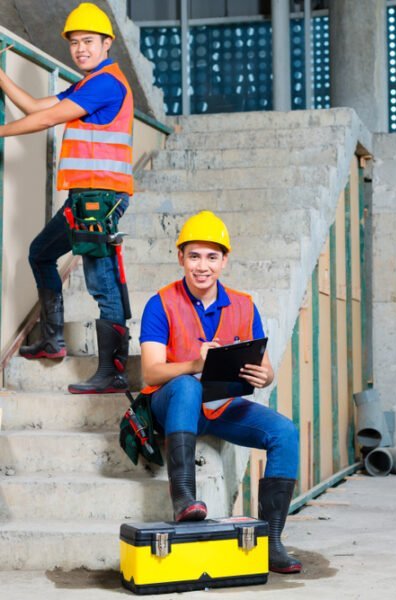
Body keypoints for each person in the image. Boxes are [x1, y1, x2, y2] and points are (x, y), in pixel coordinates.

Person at [140, 210, 302, 574]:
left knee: (285, 433)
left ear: (225, 260)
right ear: (180, 257)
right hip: (173, 405)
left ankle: (272, 542)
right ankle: (183, 497)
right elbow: (150, 370)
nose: (202, 266)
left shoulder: (244, 305)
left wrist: (266, 375)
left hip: (222, 405)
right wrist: (194, 366)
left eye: (212, 257)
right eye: (194, 256)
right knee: (183, 386)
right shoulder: (161, 303)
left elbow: (265, 365)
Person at [0, 3, 133, 394]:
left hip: (100, 197)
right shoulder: (85, 84)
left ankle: (113, 371)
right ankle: (54, 340)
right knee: (41, 252)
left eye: (89, 41)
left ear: (108, 43)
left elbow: (45, 120)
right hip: (85, 196)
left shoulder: (108, 83)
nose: (81, 49)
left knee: (101, 281)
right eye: (75, 43)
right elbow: (35, 106)